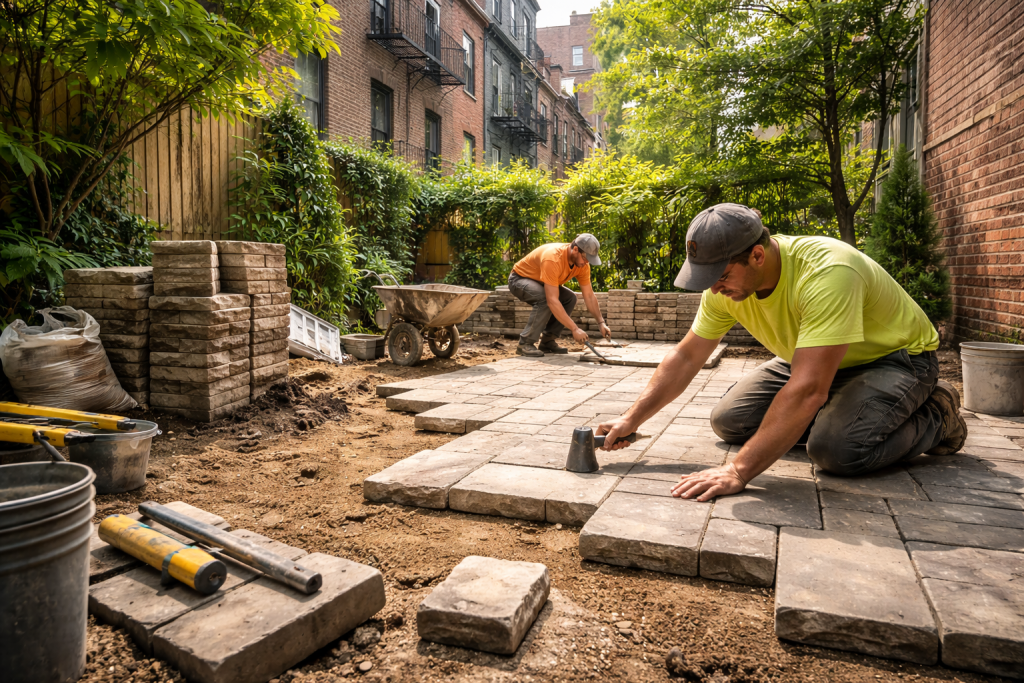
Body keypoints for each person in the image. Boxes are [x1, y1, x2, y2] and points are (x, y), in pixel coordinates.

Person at [598, 203, 967, 501]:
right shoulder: (723, 290)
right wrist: (632, 419)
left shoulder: (827, 271)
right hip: (816, 360)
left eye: (721, 276)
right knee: (730, 420)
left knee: (835, 451)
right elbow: (686, 357)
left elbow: (807, 390)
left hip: (896, 360)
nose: (713, 289)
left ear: (757, 255)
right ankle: (841, 409)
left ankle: (939, 413)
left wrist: (738, 470)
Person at [508, 234, 612, 356]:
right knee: (545, 299)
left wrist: (601, 322)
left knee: (570, 298)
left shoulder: (582, 265)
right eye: (585, 258)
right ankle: (525, 344)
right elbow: (552, 300)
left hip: (542, 282)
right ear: (576, 249)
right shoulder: (553, 258)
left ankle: (547, 341)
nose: (586, 262)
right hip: (519, 279)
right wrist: (575, 329)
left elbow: (589, 295)